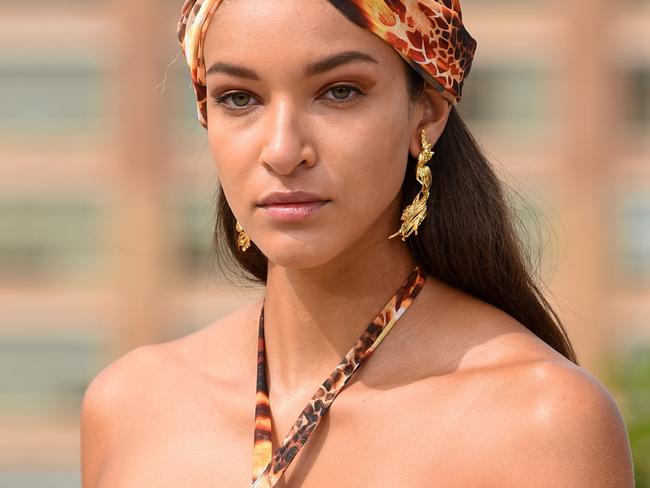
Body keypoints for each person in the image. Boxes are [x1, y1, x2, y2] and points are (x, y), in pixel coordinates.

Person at [80, 1, 635, 486]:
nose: (282, 149)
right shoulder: (129, 402)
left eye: (339, 92)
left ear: (430, 109)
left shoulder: (542, 421)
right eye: (239, 98)